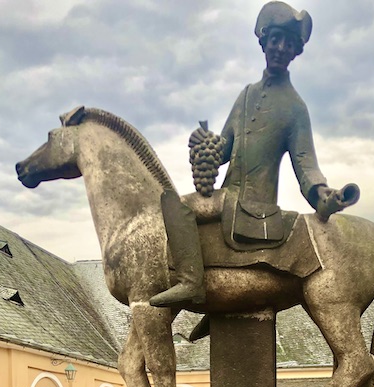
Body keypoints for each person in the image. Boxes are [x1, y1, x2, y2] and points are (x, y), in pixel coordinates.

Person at [150, 2, 350, 309]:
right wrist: (202, 145)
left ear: (296, 51)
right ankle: (220, 301)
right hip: (228, 195)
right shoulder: (245, 95)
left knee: (177, 207)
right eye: (277, 40)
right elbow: (223, 151)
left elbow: (306, 166)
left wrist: (324, 196)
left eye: (290, 44)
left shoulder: (295, 108)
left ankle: (191, 284)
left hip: (253, 205)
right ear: (265, 41)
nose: (282, 48)